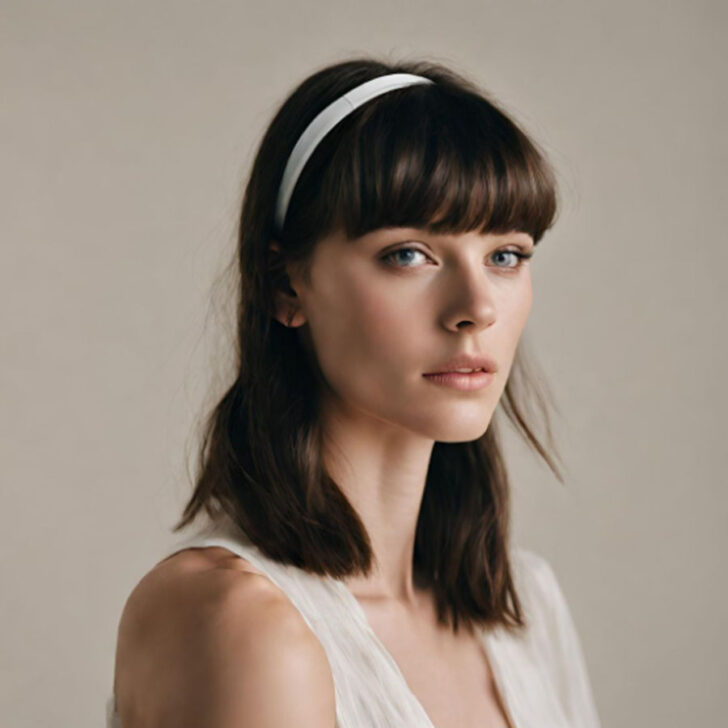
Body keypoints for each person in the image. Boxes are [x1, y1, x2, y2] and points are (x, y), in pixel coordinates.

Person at [106, 56, 602, 728]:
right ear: (287, 286)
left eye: (505, 255)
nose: (476, 307)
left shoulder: (525, 609)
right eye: (408, 254)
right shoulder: (237, 621)